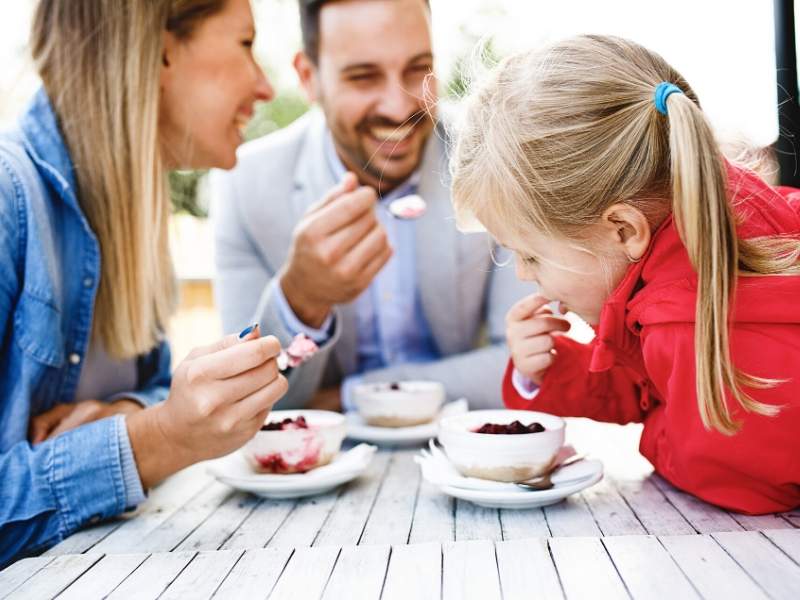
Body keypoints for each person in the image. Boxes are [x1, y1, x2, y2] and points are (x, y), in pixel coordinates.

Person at [450, 34, 800, 514]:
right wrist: (550, 369)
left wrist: (657, 435)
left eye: (530, 255)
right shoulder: (705, 245)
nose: (526, 276)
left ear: (622, 229)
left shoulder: (692, 326)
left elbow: (734, 476)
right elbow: (652, 378)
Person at [0, 0, 288, 566]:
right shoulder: (10, 199)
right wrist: (157, 439)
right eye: (245, 44)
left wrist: (129, 413)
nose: (264, 88)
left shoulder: (131, 216)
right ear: (157, 49)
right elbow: (162, 424)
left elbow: (157, 389)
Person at [211, 0, 530, 411]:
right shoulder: (244, 185)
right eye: (363, 77)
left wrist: (350, 398)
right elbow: (247, 402)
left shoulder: (494, 155)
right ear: (309, 78)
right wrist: (301, 299)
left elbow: (526, 364)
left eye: (418, 70)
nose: (399, 108)